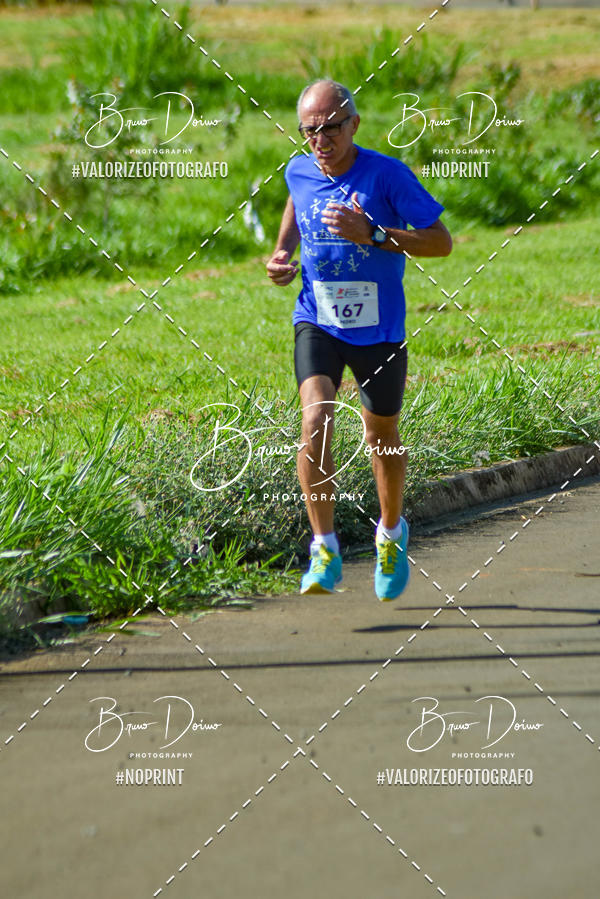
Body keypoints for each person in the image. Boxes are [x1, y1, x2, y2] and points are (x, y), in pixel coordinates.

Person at [266, 79, 452, 600]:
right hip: (318, 319)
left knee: (381, 438)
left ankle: (391, 533)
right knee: (315, 416)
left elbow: (441, 241)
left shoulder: (387, 176)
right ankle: (323, 546)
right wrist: (282, 254)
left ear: (354, 124)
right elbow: (295, 201)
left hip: (378, 329)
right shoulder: (299, 168)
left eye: (330, 128)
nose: (320, 140)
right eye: (309, 130)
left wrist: (370, 234)